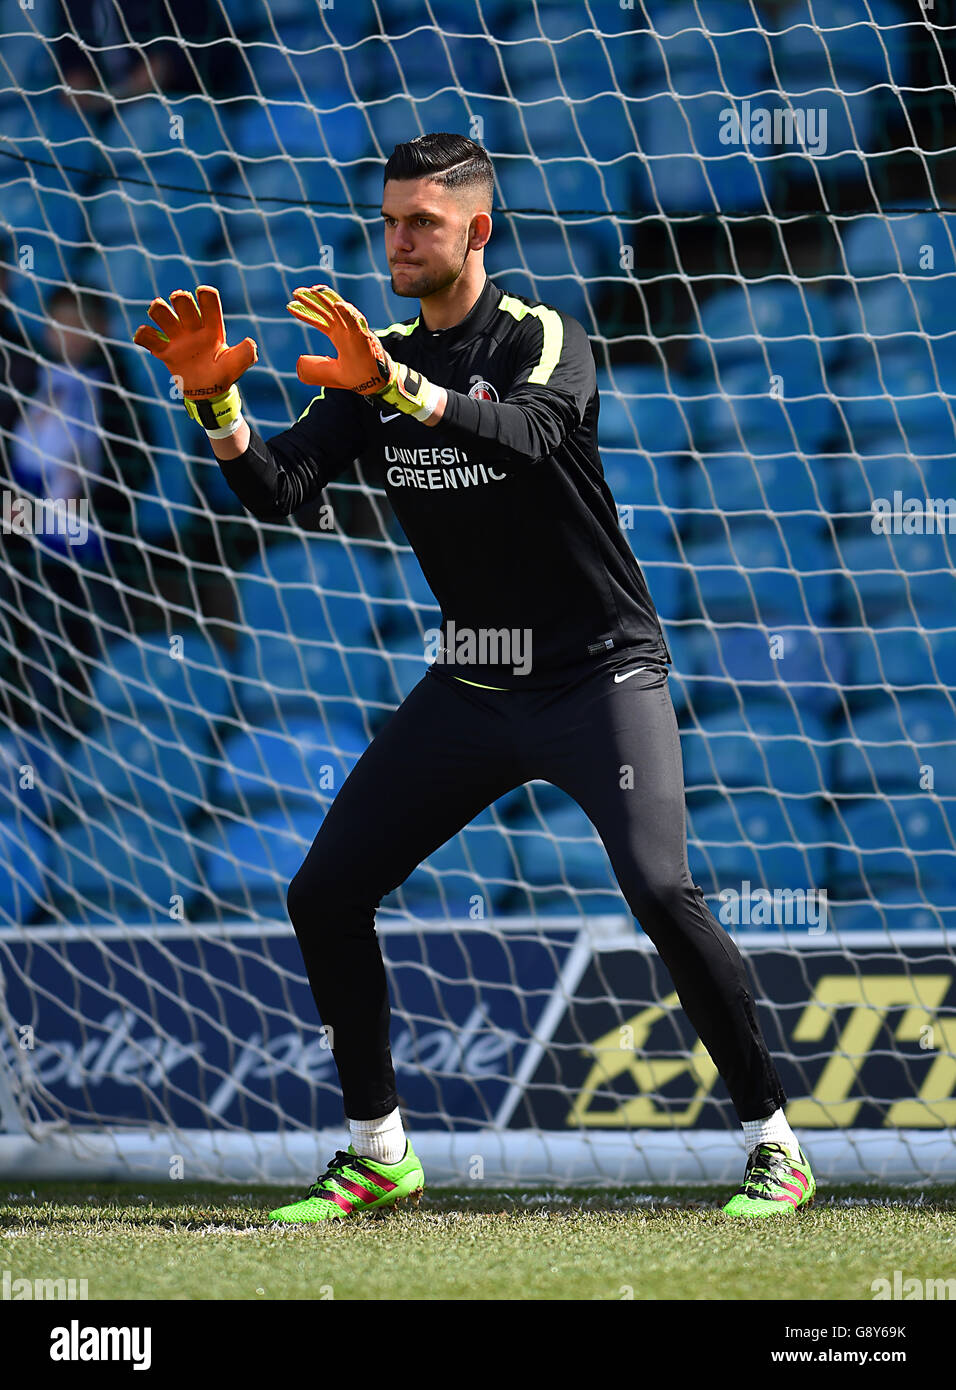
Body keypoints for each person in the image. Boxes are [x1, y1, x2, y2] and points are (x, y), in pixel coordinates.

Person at [133, 132, 816, 1222]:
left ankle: (773, 1145)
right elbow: (282, 489)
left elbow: (528, 438)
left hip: (601, 674)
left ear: (476, 230)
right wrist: (218, 410)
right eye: (390, 219)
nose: (398, 240)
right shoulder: (371, 357)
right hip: (476, 677)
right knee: (324, 891)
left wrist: (395, 384)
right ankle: (377, 1153)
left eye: (422, 223)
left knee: (657, 889)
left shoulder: (542, 335)